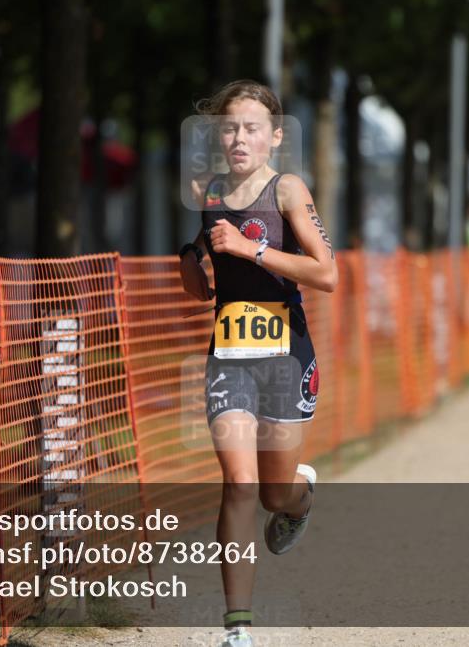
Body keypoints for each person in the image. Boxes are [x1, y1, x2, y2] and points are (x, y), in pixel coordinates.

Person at [178, 80, 337, 647]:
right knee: (239, 484)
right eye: (229, 127)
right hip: (230, 357)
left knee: (273, 493)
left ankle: (301, 496)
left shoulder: (288, 190)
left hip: (286, 355)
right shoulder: (212, 191)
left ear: (273, 137)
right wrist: (192, 257)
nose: (239, 137)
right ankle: (238, 629)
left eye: (251, 128)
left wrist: (252, 249)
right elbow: (202, 276)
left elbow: (328, 274)